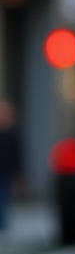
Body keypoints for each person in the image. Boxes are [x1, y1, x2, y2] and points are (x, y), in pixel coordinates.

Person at [0, 100, 21, 235]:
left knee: (4, 199)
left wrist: (19, 175)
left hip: (6, 172)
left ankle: (3, 226)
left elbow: (18, 155)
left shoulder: (12, 133)